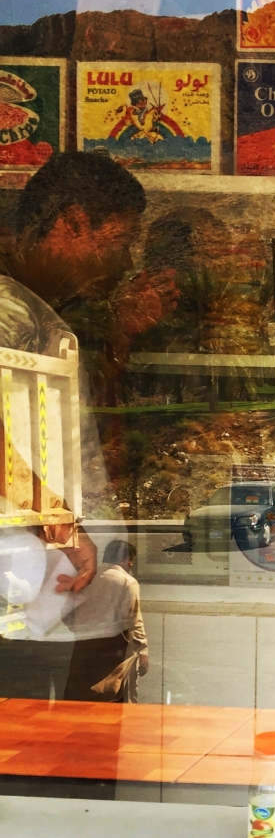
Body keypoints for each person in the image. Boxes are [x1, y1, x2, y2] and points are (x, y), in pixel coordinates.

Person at [0, 151, 177, 700]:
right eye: (120, 240)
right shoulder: (8, 311)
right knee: (30, 730)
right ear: (74, 222)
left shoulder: (41, 307)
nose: (126, 261)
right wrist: (59, 523)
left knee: (70, 731)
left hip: (56, 580)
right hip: (28, 576)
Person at [63, 541, 148, 703]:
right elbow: (133, 621)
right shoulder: (127, 582)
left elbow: (66, 613)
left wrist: (79, 628)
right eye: (131, 560)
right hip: (113, 649)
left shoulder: (85, 578)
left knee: (80, 693)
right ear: (125, 559)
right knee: (113, 694)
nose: (131, 565)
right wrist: (143, 650)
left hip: (83, 644)